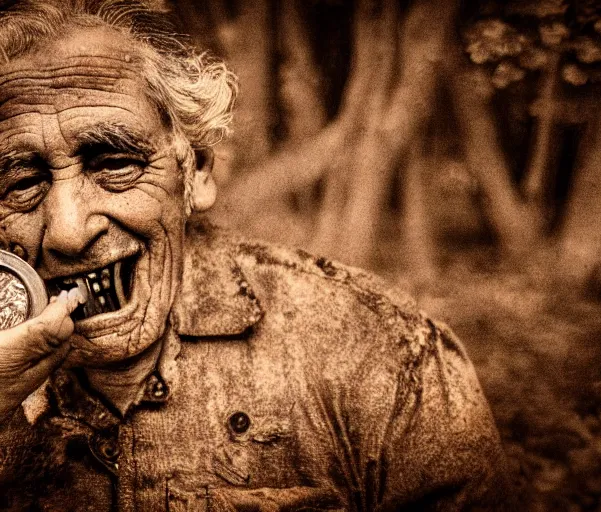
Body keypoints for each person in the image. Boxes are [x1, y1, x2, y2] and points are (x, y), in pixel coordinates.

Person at [0, 1, 510, 510]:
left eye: (114, 163)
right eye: (21, 182)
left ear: (194, 171)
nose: (67, 232)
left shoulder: (382, 350)